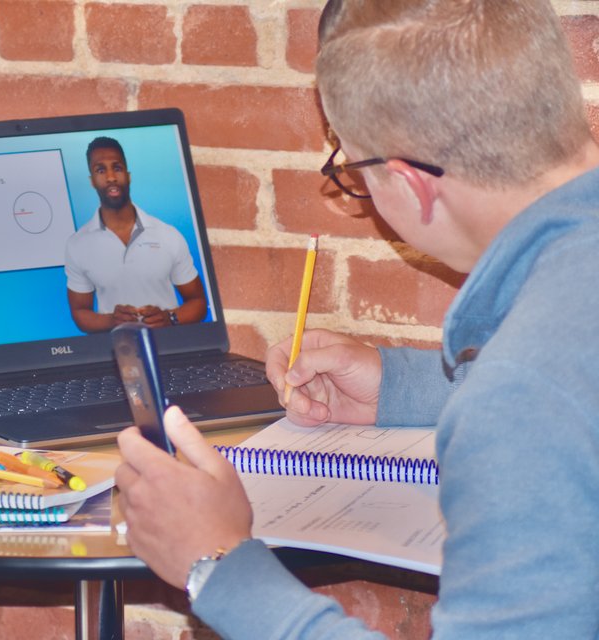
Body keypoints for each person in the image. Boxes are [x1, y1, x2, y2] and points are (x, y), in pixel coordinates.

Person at [114, 0, 599, 637]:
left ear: (411, 183)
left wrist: (217, 564)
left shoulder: (520, 400)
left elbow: (542, 396)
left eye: (352, 171)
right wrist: (398, 385)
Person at [63, 136, 208, 333]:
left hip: (168, 350)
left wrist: (170, 318)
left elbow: (198, 302)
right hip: (115, 353)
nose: (111, 177)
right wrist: (112, 321)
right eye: (100, 170)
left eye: (117, 168)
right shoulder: (77, 244)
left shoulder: (168, 235)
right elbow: (80, 311)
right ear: (92, 181)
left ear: (128, 175)